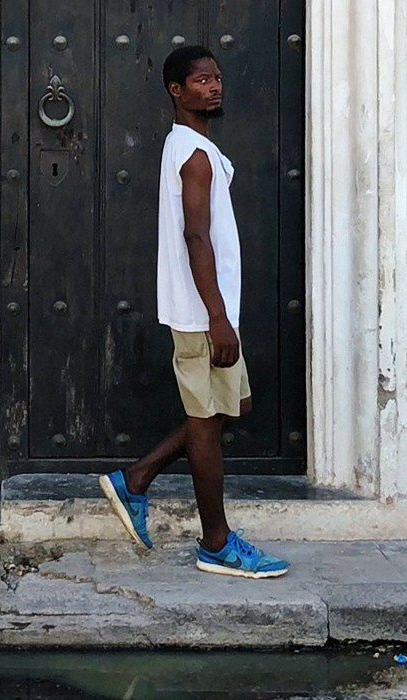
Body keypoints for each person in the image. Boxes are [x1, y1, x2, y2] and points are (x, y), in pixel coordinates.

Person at [99, 45, 290, 578]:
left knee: (231, 408)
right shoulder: (195, 155)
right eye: (201, 80)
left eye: (218, 78)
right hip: (203, 315)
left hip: (207, 311)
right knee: (206, 424)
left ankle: (136, 479)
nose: (214, 86)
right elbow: (196, 234)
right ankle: (217, 544)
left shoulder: (190, 147)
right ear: (176, 91)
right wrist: (217, 315)